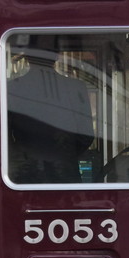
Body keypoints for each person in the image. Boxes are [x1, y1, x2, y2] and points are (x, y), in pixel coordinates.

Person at [7, 50, 94, 183]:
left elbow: (4, 137)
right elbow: (86, 135)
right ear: (56, 56)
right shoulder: (75, 87)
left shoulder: (12, 88)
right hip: (64, 171)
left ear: (27, 57)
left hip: (26, 173)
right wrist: (64, 154)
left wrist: (24, 158)